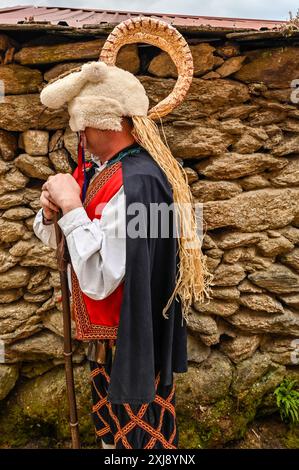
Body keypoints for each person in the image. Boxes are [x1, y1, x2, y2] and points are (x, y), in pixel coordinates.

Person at [33, 16, 212, 449]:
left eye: (81, 127)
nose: (79, 137)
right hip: (109, 339)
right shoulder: (106, 171)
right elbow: (70, 245)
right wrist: (54, 212)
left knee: (140, 447)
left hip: (131, 341)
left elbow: (101, 275)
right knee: (113, 443)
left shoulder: (138, 182)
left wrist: (72, 206)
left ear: (102, 122)